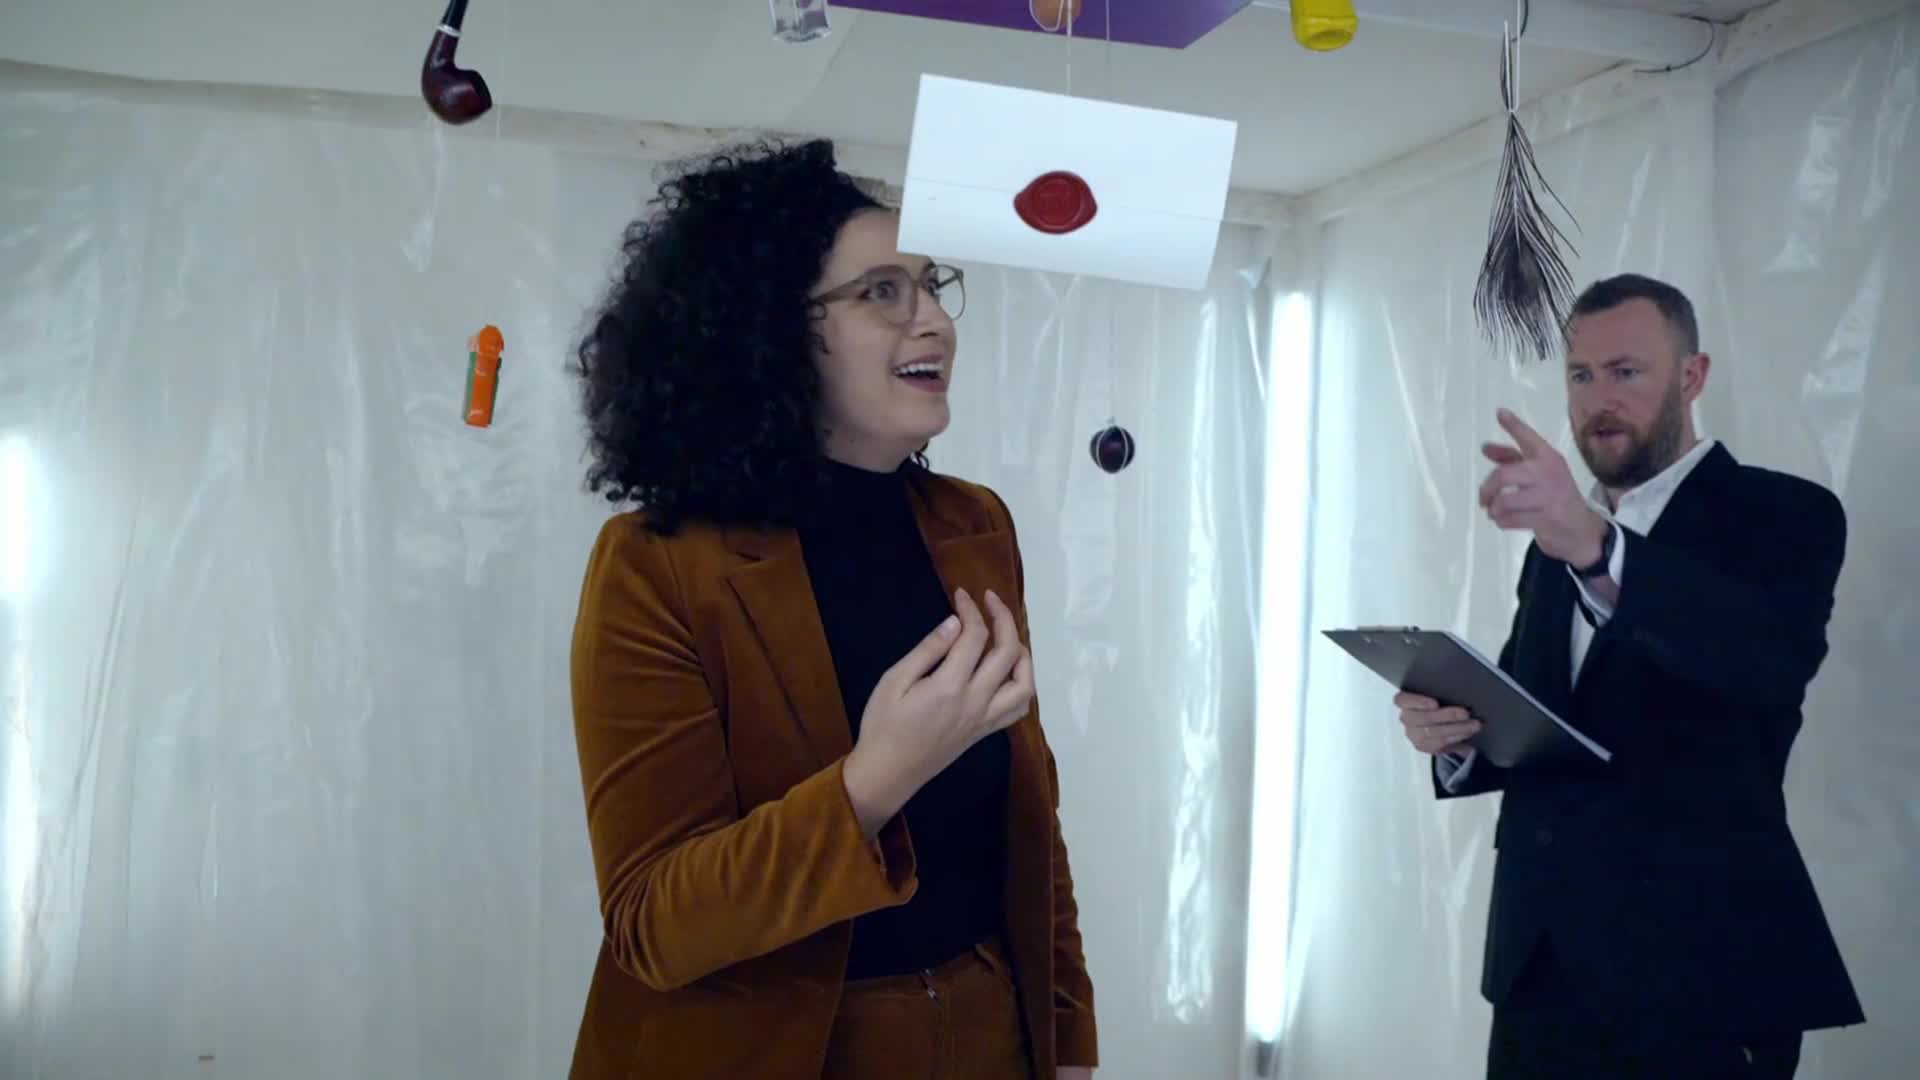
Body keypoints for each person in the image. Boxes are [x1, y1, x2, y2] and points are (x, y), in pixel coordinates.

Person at [563, 138, 1098, 1080]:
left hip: (990, 1034)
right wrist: (875, 778)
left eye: (932, 286)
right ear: (768, 333)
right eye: (882, 292)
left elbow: (1031, 815)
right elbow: (653, 922)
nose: (933, 320)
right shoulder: (655, 566)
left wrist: (1067, 1036)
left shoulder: (975, 524)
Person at [1397, 273, 1864, 1078]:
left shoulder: (1786, 514)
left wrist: (1597, 550)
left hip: (1702, 974)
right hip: (1540, 968)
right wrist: (1458, 737)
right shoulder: (1560, 543)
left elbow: (1764, 661)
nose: (1598, 398)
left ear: (1692, 376)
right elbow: (1537, 718)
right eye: (1581, 374)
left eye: (1626, 371)